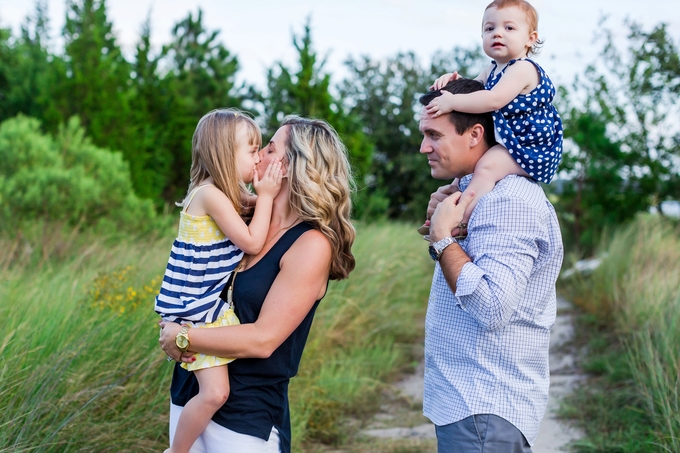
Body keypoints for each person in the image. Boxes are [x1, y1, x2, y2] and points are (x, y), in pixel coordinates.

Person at [159, 115, 356, 453]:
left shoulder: (309, 245)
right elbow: (192, 277)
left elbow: (264, 340)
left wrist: (182, 336)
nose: (258, 155)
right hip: (191, 391)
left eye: (268, 148)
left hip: (246, 419)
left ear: (292, 167)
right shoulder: (241, 222)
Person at [418, 77, 563, 452]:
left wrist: (443, 239)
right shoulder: (476, 193)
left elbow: (492, 306)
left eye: (434, 135)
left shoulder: (507, 201)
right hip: (472, 406)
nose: (423, 147)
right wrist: (444, 228)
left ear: (474, 133)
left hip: (484, 407)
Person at [154, 108, 283, 453]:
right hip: (194, 309)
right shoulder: (209, 195)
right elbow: (253, 241)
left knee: (215, 391)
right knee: (215, 393)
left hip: (203, 304)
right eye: (252, 150)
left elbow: (263, 210)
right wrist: (268, 196)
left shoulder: (225, 194)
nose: (258, 159)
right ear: (225, 155)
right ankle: (176, 451)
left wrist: (269, 196)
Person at [419, 0, 563, 236]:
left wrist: (452, 101)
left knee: (487, 167)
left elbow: (493, 99)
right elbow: (472, 91)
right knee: (464, 176)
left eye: (509, 28)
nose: (497, 33)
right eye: (489, 28)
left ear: (530, 38)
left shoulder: (523, 68)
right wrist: (452, 81)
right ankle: (444, 211)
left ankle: (460, 221)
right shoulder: (493, 69)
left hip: (531, 145)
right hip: (511, 139)